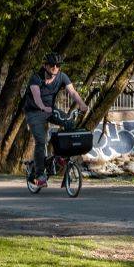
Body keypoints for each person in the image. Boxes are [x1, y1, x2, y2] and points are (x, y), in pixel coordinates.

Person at [23, 53, 85, 189]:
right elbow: (37, 96)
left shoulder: (62, 76)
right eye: (52, 65)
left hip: (50, 110)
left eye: (58, 65)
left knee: (69, 123)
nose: (55, 68)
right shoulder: (36, 77)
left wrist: (81, 103)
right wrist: (42, 107)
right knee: (41, 140)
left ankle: (60, 155)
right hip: (34, 112)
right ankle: (39, 175)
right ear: (45, 66)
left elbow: (73, 92)